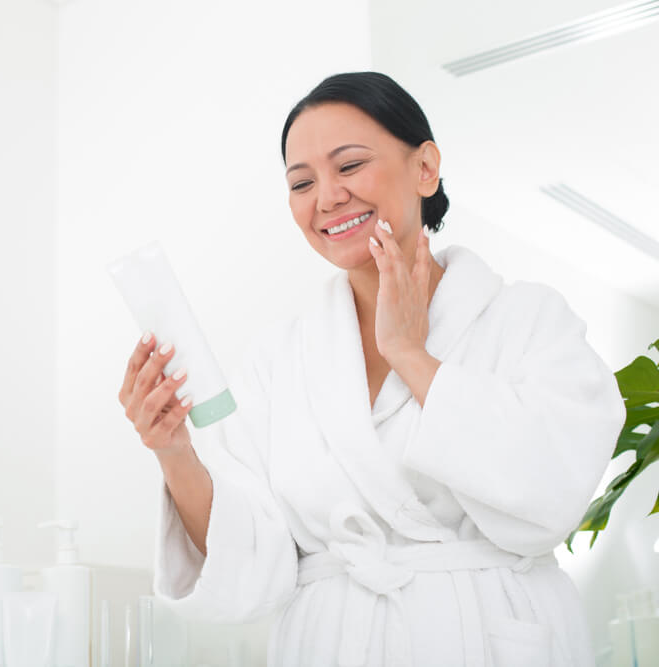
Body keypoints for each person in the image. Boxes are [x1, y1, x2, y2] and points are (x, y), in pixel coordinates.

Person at [117, 71, 625, 666]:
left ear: (425, 168)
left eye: (349, 166)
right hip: (332, 643)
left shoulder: (526, 318)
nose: (326, 197)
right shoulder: (283, 358)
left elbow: (553, 487)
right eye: (301, 182)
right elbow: (252, 559)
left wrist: (411, 353)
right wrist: (174, 450)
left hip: (487, 636)